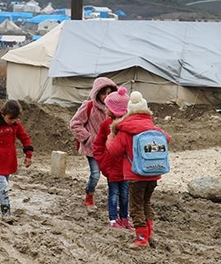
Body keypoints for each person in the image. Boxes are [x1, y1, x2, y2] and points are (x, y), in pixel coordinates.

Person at [107, 91, 170, 248]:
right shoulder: (153, 127)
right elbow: (167, 139)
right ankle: (150, 234)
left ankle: (141, 238)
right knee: (146, 203)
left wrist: (110, 138)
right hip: (154, 172)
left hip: (135, 175)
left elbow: (114, 151)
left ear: (129, 110)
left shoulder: (126, 130)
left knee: (136, 207)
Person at [69, 77, 118, 209]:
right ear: (97, 93)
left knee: (112, 176)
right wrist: (88, 138)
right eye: (103, 93)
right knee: (95, 174)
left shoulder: (116, 108)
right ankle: (89, 195)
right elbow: (75, 123)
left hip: (110, 148)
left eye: (109, 93)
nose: (106, 96)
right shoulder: (89, 106)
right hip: (93, 148)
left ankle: (113, 201)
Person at [93, 87, 132, 229]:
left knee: (125, 194)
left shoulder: (128, 125)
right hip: (112, 168)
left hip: (126, 168)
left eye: (108, 107)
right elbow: (98, 145)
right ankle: (113, 219)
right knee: (113, 194)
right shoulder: (106, 125)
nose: (105, 109)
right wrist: (103, 162)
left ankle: (124, 218)